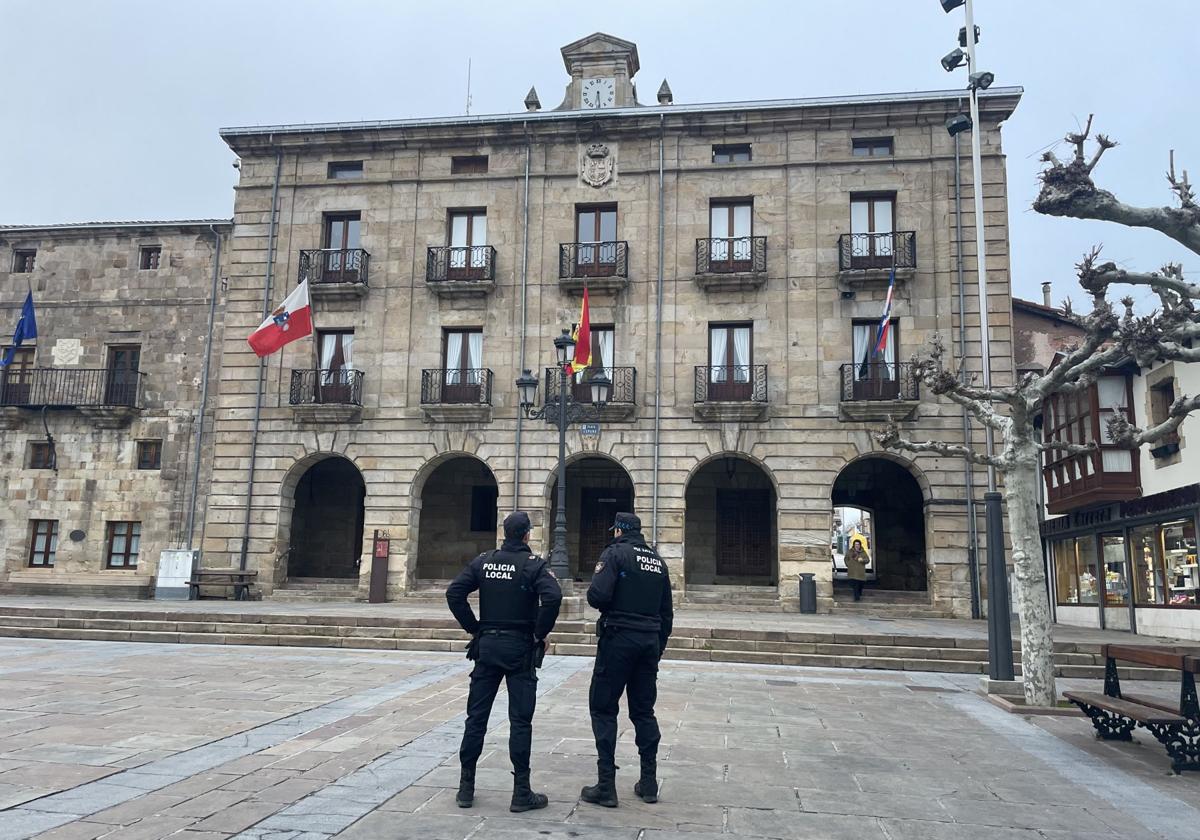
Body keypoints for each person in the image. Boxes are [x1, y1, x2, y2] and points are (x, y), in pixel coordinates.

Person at [446, 511, 562, 812]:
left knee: (476, 718)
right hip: (519, 648)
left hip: (487, 647)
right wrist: (539, 633)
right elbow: (553, 597)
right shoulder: (533, 565)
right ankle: (521, 792)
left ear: (505, 533)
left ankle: (466, 788)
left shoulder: (484, 561)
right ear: (526, 535)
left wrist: (474, 628)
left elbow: (454, 592)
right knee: (520, 721)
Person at [581, 511, 673, 808]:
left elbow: (597, 596)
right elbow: (667, 613)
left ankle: (606, 785)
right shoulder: (658, 562)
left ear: (619, 531)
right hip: (648, 642)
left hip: (618, 640)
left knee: (604, 708)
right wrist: (656, 647)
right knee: (644, 712)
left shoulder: (615, 554)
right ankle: (649, 782)